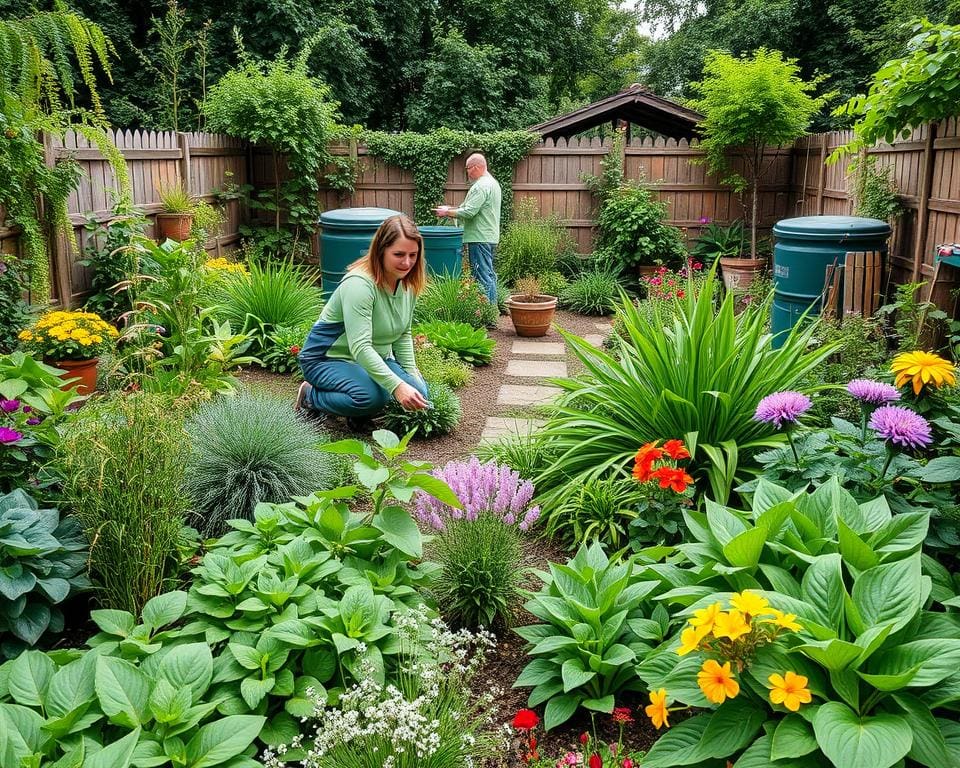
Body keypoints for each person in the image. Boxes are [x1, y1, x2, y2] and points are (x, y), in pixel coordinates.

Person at [295, 214, 430, 428]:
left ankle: (356, 411)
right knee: (373, 397)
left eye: (413, 255)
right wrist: (396, 386)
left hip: (371, 358)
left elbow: (403, 332)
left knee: (419, 392)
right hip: (328, 359)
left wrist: (412, 375)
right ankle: (310, 397)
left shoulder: (407, 283)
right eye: (399, 254)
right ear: (381, 251)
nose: (407, 262)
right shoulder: (360, 285)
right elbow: (360, 347)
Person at [434, 152, 502, 306]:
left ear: (476, 167)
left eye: (468, 168)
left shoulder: (481, 186)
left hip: (479, 237)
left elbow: (469, 212)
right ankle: (491, 311)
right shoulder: (492, 183)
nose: (467, 172)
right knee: (489, 274)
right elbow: (470, 208)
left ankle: (487, 314)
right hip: (488, 236)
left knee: (482, 276)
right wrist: (451, 209)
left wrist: (447, 212)